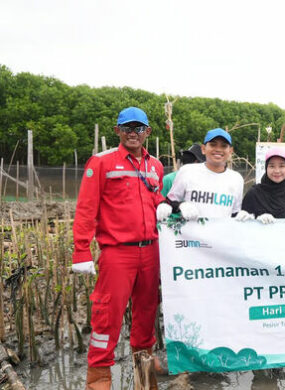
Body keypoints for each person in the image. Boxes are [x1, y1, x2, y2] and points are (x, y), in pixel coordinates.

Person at [72, 107, 164, 389]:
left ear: (147, 132)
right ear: (117, 131)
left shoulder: (156, 165)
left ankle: (144, 374)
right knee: (107, 315)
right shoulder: (101, 163)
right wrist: (81, 251)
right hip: (117, 254)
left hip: (151, 251)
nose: (133, 134)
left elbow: (156, 201)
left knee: (147, 314)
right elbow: (86, 209)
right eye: (127, 128)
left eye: (139, 128)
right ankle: (99, 377)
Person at [157, 128, 244, 221]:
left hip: (221, 234)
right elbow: (169, 202)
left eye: (223, 146)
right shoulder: (187, 172)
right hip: (190, 233)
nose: (218, 149)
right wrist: (180, 206)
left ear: (230, 151)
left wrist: (244, 218)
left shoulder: (236, 179)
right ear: (203, 149)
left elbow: (235, 213)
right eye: (213, 145)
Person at [241, 147, 285, 224]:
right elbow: (243, 227)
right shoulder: (253, 194)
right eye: (272, 166)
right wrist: (256, 220)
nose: (277, 171)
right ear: (266, 168)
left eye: (281, 166)